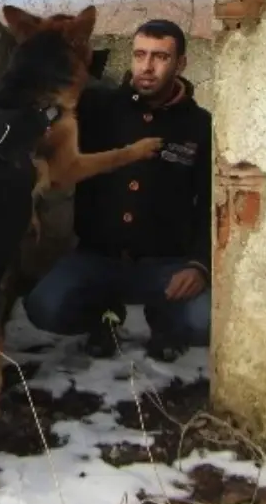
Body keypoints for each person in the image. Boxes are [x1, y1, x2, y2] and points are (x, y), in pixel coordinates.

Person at [22, 18, 212, 361]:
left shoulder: (199, 125)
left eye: (160, 57)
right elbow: (48, 108)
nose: (147, 66)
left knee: (204, 322)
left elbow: (210, 201)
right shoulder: (97, 107)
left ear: (181, 63)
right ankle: (105, 317)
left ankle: (164, 318)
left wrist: (199, 265)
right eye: (140, 55)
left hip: (165, 264)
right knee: (44, 307)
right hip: (98, 259)